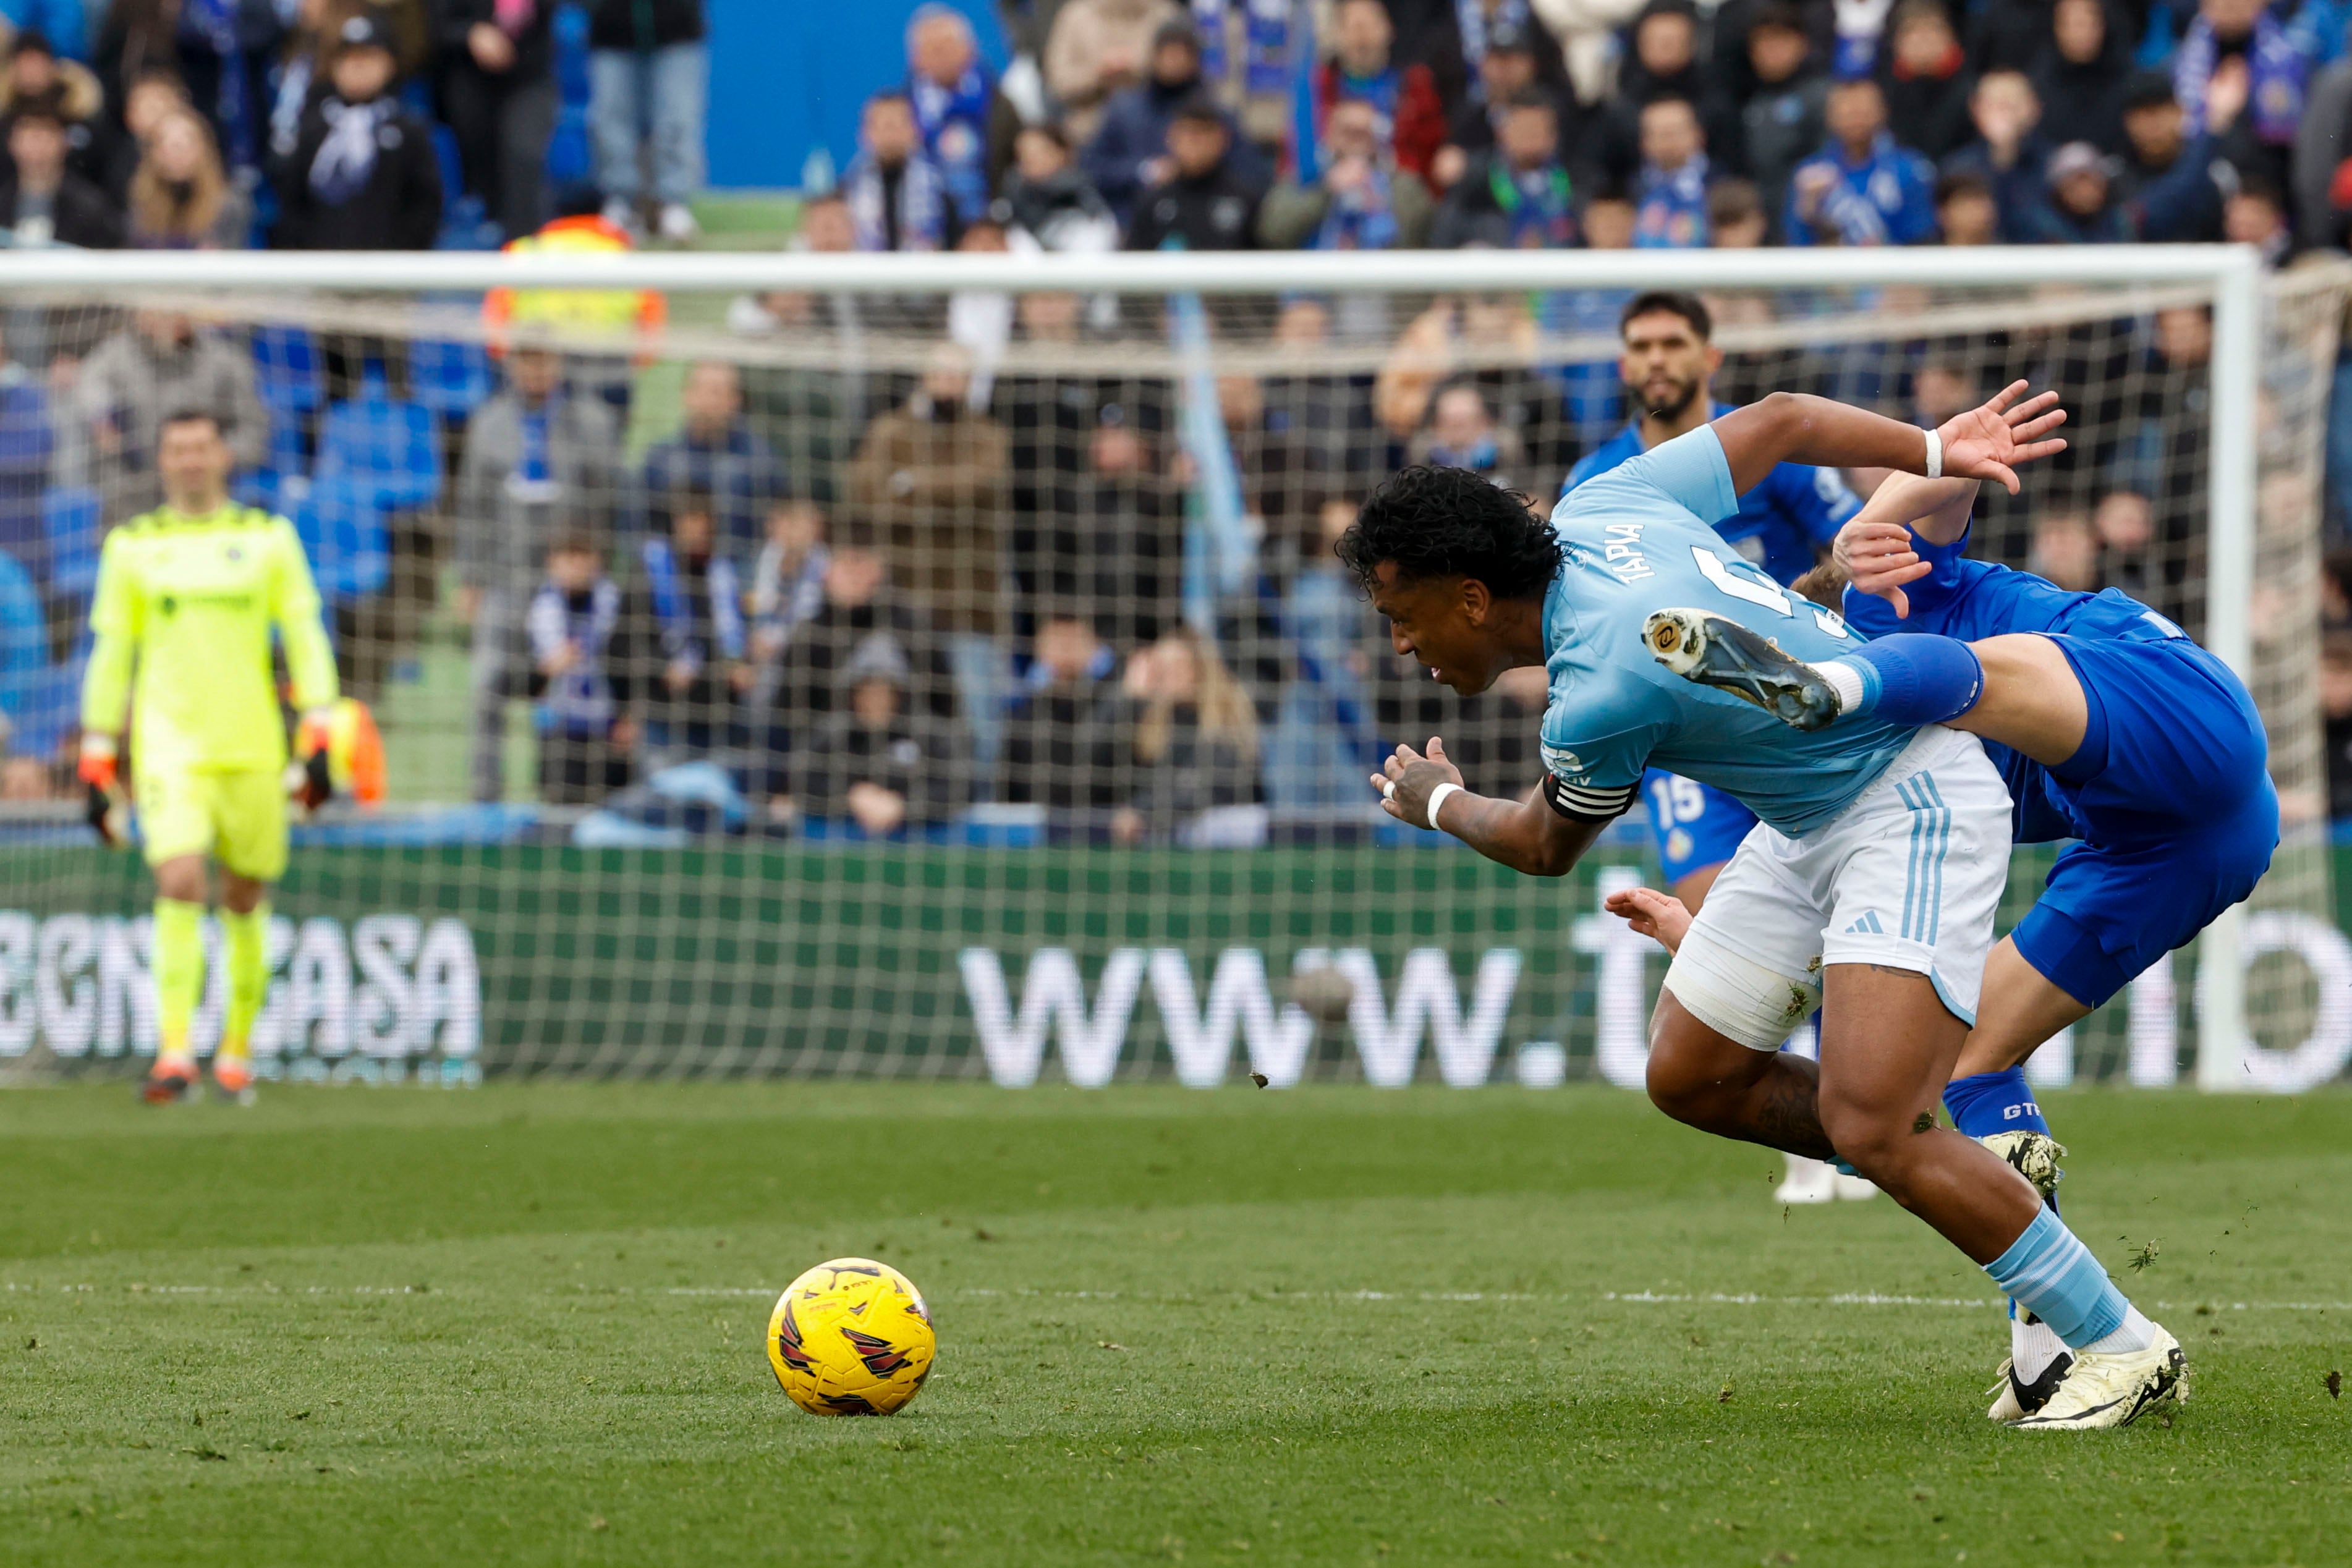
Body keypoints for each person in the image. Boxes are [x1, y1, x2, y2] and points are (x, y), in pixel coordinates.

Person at [1346, 383, 2188, 1431]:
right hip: (1803, 820)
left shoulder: (1598, 686)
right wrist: (1931, 442)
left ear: (1471, 598)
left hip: (1908, 806)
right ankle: (1963, 1166)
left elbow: (1538, 843)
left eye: (1402, 617)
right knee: (1693, 1075)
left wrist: (1439, 801)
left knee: (1874, 1124)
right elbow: (1783, 417)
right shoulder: (1602, 502)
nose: (1401, 645)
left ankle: (2121, 1341)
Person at [1632, 467, 2275, 1420]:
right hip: (2148, 840)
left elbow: (1941, 532)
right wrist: (1714, 937)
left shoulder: (1901, 611)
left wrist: (1923, 464)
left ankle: (2102, 1348)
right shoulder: (1894, 702)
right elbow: (1851, 882)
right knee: (1961, 1067)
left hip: (2169, 730)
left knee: (1967, 680)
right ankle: (2054, 1347)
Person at [1559, 288, 1860, 1193]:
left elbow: (1854, 540)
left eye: (1672, 343)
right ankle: (1797, 1133)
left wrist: (1820, 591)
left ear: (1708, 357)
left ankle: (1860, 1101)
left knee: (1837, 921)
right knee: (1712, 908)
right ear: (1623, 363)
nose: (1656, 359)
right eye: (1640, 345)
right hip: (1686, 743)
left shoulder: (1762, 455)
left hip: (1788, 717)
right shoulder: (1599, 478)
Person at [77, 407, 339, 1103]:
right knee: (181, 877)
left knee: (245, 893)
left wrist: (320, 730)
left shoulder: (267, 539)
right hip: (169, 747)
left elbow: (305, 632)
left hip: (252, 746)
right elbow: (112, 653)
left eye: (200, 447)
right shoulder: (133, 547)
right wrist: (98, 751)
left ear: (223, 455)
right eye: (176, 448)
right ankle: (174, 1052)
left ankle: (235, 1053)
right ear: (162, 460)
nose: (190, 459)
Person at [455, 348, 620, 802]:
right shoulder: (489, 423)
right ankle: (485, 794)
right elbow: (472, 505)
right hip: (507, 577)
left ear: (560, 365)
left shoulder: (592, 422)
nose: (536, 371)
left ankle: (575, 791)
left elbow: (609, 502)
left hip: (572, 584)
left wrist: (595, 567)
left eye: (544, 361)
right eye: (527, 362)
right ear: (512, 366)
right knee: (488, 681)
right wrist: (470, 578)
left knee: (580, 682)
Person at [271, 15, 441, 252]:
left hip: (391, 273)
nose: (358, 66)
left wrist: (404, 259)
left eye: (369, 56)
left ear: (389, 64)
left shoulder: (409, 131)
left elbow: (426, 204)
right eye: (348, 58)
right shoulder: (312, 128)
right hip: (319, 269)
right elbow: (290, 201)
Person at [431, 0, 556, 242]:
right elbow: (437, 23)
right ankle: (485, 231)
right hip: (467, 74)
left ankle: (523, 249)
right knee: (479, 158)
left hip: (528, 75)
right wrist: (470, 33)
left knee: (523, 156)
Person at [586, 0, 707, 242]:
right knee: (612, 120)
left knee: (676, 120)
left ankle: (672, 204)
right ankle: (621, 204)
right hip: (611, 32)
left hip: (677, 29)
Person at [637, 360, 786, 554]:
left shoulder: (761, 460)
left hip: (742, 572)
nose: (708, 401)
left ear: (736, 400)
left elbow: (776, 528)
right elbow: (637, 528)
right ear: (686, 395)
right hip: (671, 572)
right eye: (701, 390)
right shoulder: (660, 459)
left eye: (717, 392)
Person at [527, 530, 632, 803]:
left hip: (607, 729)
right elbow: (520, 682)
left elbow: (629, 665)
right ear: (553, 563)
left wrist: (628, 716)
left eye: (584, 558)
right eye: (569, 558)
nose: (578, 567)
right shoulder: (539, 608)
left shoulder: (616, 606)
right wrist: (550, 667)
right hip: (559, 732)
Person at [1259, 95, 1435, 251]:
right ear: (1330, 134)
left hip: (1381, 284)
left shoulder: (1403, 182)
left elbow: (1419, 238)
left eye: (1363, 133)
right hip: (1317, 283)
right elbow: (1273, 233)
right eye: (1348, 132)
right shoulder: (1302, 178)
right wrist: (1326, 190)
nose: (1356, 141)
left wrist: (1379, 202)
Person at [1783, 77, 1937, 245]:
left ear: (1883, 112)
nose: (1856, 120)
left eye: (1864, 112)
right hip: (1831, 269)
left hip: (1894, 268)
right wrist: (1808, 211)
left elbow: (1922, 236)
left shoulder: (1910, 168)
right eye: (1848, 113)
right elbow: (1796, 241)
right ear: (1830, 117)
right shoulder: (1810, 173)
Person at [1430, 90, 1577, 248]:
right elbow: (1446, 237)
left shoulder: (1577, 182)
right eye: (1523, 129)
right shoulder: (1474, 184)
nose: (1530, 137)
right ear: (1503, 132)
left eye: (1538, 129)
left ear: (1553, 136)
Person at [1121, 93, 1260, 251]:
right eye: (1188, 133)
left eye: (1204, 132)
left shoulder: (1247, 200)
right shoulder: (1152, 202)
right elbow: (1133, 263)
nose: (1195, 141)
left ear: (1222, 139)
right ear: (1171, 138)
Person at [846, 89, 957, 253]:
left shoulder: (940, 190)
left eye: (898, 123)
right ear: (865, 133)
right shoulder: (848, 191)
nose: (890, 133)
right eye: (883, 125)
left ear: (916, 130)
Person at [0, 101, 122, 247]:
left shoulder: (92, 208)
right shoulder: (4, 201)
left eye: (45, 135)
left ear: (64, 142)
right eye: (30, 136)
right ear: (12, 143)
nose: (37, 147)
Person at [126, 104, 248, 247]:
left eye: (185, 142)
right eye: (166, 143)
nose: (176, 152)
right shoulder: (141, 204)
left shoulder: (229, 206)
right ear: (153, 153)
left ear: (204, 149)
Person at [1632, 96, 1710, 247]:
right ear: (1643, 142)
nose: (1668, 141)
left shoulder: (1721, 184)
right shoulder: (1631, 189)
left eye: (1676, 132)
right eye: (1660, 133)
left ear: (1699, 135)